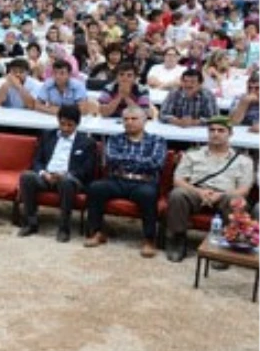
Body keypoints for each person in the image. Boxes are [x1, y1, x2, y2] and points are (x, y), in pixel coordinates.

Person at [165, 115, 254, 262]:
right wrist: (198, 191)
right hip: (196, 192)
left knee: (236, 200)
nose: (215, 133)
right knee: (177, 194)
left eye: (221, 130)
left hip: (225, 195)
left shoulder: (243, 160)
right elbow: (178, 180)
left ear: (230, 133)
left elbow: (244, 189)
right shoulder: (193, 154)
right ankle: (177, 239)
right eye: (212, 130)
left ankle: (227, 247)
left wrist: (220, 195)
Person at [84, 106, 167, 257]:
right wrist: (140, 162)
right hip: (117, 179)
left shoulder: (157, 140)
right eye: (126, 119)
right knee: (96, 188)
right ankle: (96, 232)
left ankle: (149, 239)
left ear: (144, 121)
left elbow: (156, 164)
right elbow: (111, 160)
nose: (129, 122)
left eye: (134, 119)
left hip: (144, 182)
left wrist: (125, 160)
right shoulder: (115, 138)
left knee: (148, 195)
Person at [17, 104, 96, 242]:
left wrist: (66, 175)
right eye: (62, 124)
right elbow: (37, 160)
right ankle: (31, 222)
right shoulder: (48, 135)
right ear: (58, 121)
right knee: (26, 176)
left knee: (66, 182)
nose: (65, 128)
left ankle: (64, 228)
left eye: (70, 125)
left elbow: (87, 170)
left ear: (77, 124)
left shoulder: (87, 142)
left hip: (70, 178)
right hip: (47, 176)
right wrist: (43, 173)